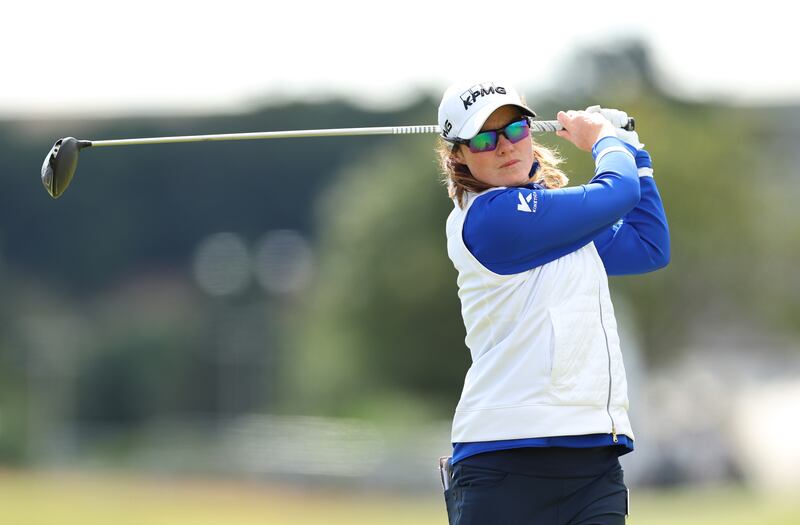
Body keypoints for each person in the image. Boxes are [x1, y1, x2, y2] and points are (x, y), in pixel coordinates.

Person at [436, 81, 670, 524]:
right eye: (485, 138)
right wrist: (604, 140)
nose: (504, 146)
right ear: (459, 156)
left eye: (515, 130)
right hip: (503, 463)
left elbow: (647, 246)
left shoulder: (555, 219)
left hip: (593, 463)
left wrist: (635, 154)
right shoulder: (489, 218)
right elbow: (616, 194)